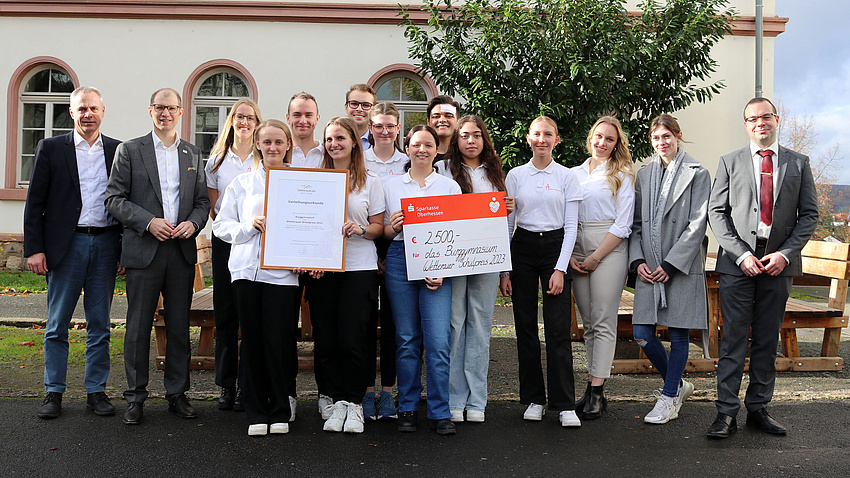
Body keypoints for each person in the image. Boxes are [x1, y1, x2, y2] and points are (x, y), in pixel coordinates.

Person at [706, 97, 818, 439]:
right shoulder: (729, 162)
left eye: (765, 116)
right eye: (752, 118)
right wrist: (741, 254)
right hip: (738, 263)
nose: (760, 123)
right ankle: (726, 413)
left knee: (767, 340)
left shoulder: (799, 163)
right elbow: (717, 213)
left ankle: (758, 409)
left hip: (778, 264)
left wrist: (785, 254)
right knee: (734, 340)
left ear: (776, 119)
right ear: (746, 124)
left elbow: (810, 215)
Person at [105, 88, 210, 425]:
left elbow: (202, 203)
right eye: (159, 107)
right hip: (143, 250)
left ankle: (177, 395)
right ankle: (135, 398)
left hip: (179, 252)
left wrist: (192, 225)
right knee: (137, 328)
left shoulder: (193, 153)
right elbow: (114, 199)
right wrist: (148, 222)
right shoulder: (130, 150)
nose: (165, 113)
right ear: (150, 110)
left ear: (181, 112)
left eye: (171, 108)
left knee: (179, 327)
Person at [24, 86, 122, 419]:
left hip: (106, 245)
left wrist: (123, 249)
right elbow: (35, 201)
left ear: (103, 111)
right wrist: (35, 249)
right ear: (71, 112)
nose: (88, 114)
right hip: (65, 247)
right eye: (81, 109)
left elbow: (125, 202)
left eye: (93, 108)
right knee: (57, 324)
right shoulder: (51, 148)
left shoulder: (117, 150)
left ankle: (96, 391)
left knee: (100, 324)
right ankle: (54, 392)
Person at [213, 119, 301, 436]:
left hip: (283, 274)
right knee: (251, 342)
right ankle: (255, 411)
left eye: (279, 142)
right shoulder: (242, 184)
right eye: (267, 142)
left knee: (277, 342)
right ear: (258, 145)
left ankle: (279, 408)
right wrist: (249, 227)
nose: (273, 147)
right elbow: (221, 226)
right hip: (246, 271)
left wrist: (306, 256)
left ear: (288, 144)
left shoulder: (302, 184)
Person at [500, 116, 582, 428]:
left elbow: (572, 226)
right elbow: (509, 221)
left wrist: (560, 268)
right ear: (528, 138)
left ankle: (563, 403)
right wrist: (505, 269)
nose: (542, 140)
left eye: (548, 134)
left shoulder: (566, 176)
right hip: (522, 247)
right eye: (537, 134)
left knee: (558, 329)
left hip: (555, 247)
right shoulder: (516, 175)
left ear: (557, 140)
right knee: (524, 327)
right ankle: (534, 398)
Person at [306, 117, 386, 434]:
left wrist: (362, 229)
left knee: (353, 339)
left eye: (340, 138)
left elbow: (378, 227)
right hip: (323, 271)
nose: (334, 144)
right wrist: (310, 257)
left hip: (358, 269)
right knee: (326, 339)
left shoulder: (370, 182)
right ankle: (334, 398)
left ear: (354, 141)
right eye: (329, 139)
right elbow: (307, 227)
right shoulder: (315, 179)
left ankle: (354, 404)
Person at [629, 114, 710, 424]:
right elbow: (635, 225)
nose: (661, 143)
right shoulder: (644, 174)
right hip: (649, 267)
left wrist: (671, 265)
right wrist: (638, 263)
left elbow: (697, 224)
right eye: (656, 138)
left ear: (678, 136)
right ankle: (676, 385)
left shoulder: (698, 173)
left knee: (678, 335)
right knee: (642, 334)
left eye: (667, 136)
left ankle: (668, 399)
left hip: (680, 266)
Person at [383, 125, 461, 435]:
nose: (422, 150)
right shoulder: (390, 185)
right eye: (416, 144)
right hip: (400, 260)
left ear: (436, 149)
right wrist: (393, 226)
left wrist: (443, 269)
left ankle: (440, 411)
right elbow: (387, 234)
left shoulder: (449, 187)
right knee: (406, 339)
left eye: (428, 145)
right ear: (407, 147)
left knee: (438, 342)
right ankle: (408, 407)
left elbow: (456, 236)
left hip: (437, 266)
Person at [440, 115, 514, 423]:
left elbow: (507, 226)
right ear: (456, 141)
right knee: (455, 326)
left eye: (477, 135)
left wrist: (505, 270)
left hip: (488, 261)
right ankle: (454, 398)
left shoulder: (497, 173)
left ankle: (477, 400)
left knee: (481, 328)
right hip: (454, 260)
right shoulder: (443, 170)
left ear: (484, 139)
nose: (471, 140)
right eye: (465, 135)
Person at [569, 116, 635, 420]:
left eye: (609, 139)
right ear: (590, 137)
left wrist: (596, 256)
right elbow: (565, 216)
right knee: (589, 323)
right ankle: (592, 385)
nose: (602, 143)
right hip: (577, 247)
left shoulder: (621, 174)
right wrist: (569, 254)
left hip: (608, 247)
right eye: (598, 136)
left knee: (603, 318)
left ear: (616, 143)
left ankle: (597, 390)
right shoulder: (574, 173)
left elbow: (624, 223)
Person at [205, 98, 262, 413]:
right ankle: (227, 385)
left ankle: (247, 384)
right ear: (231, 121)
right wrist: (239, 229)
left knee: (249, 314)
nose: (244, 122)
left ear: (256, 123)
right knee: (226, 314)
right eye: (239, 117)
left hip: (257, 243)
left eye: (250, 118)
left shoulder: (262, 156)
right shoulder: (216, 161)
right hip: (227, 242)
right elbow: (216, 210)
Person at [361, 102, 407, 421]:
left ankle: (388, 392)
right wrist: (376, 252)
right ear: (370, 128)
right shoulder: (359, 160)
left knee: (393, 325)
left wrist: (387, 253)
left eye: (390, 126)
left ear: (398, 128)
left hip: (398, 250)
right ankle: (365, 392)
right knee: (364, 325)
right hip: (364, 249)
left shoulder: (407, 162)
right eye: (379, 126)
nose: (385, 131)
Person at [287, 92, 323, 169]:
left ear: (317, 119)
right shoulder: (280, 153)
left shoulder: (328, 155)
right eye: (297, 115)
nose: (303, 121)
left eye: (308, 115)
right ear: (288, 118)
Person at [427, 95, 459, 163]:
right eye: (436, 116)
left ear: (458, 122)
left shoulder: (465, 156)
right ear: (429, 123)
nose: (442, 120)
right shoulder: (422, 156)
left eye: (448, 116)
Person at [344, 84, 376, 151]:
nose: (359, 109)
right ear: (346, 107)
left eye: (366, 105)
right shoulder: (333, 141)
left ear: (373, 110)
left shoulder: (379, 142)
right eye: (354, 104)